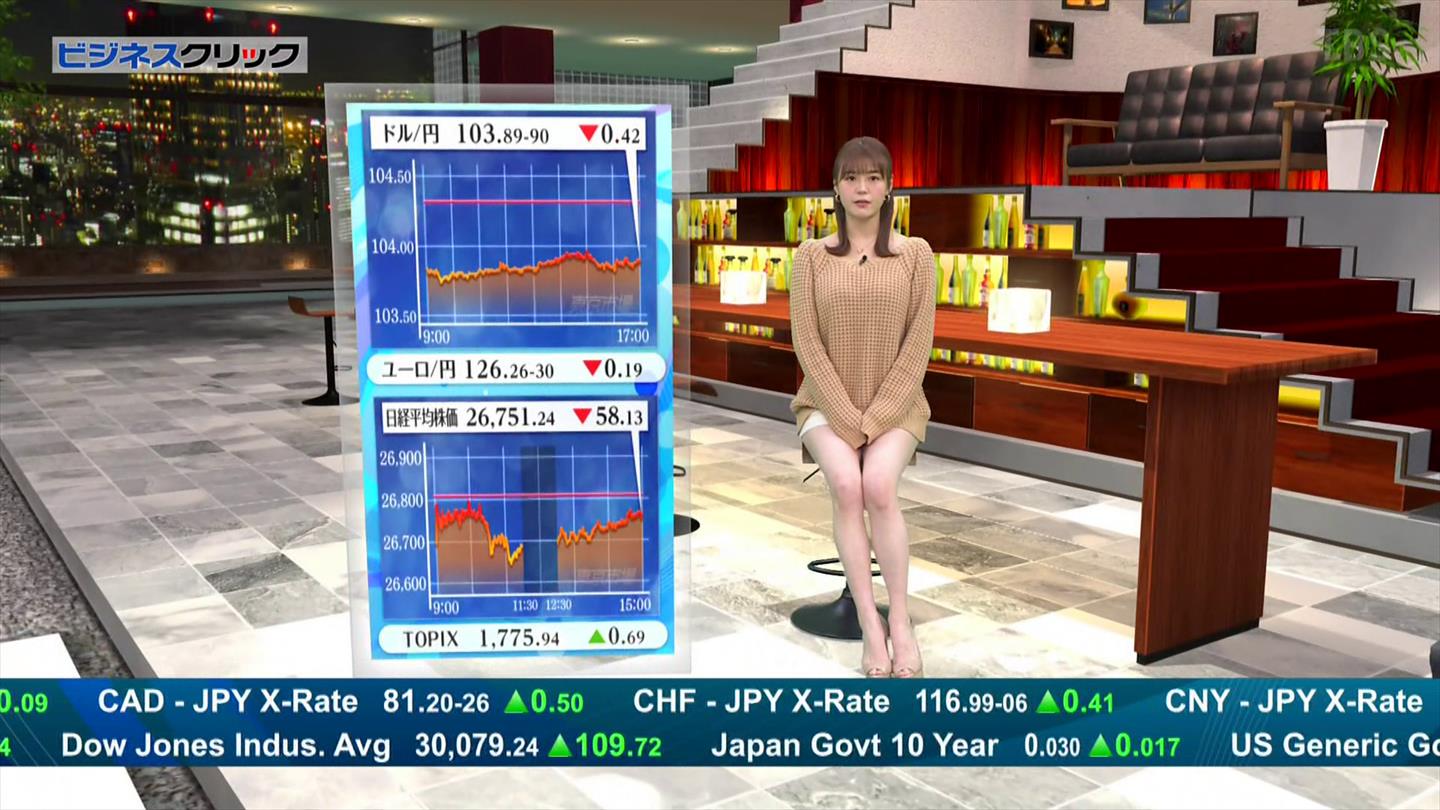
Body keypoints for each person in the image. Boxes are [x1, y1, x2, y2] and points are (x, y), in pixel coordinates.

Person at [789, 136, 935, 678]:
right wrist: (849, 420)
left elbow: (917, 346)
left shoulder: (917, 255)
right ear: (835, 188)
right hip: (824, 404)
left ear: (890, 187)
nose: (862, 188)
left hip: (898, 405)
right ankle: (872, 627)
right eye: (851, 177)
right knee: (848, 487)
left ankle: (901, 621)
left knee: (878, 486)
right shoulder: (810, 257)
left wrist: (874, 420)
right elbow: (807, 344)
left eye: (874, 177)